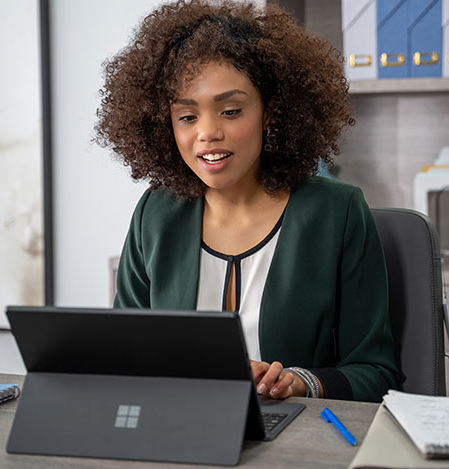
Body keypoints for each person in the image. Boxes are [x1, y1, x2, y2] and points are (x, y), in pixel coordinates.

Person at [95, 0, 401, 402]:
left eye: (231, 110)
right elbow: (124, 354)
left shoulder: (336, 213)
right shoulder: (156, 212)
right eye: (187, 116)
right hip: (177, 430)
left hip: (291, 445)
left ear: (270, 113)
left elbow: (376, 372)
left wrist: (302, 382)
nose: (207, 133)